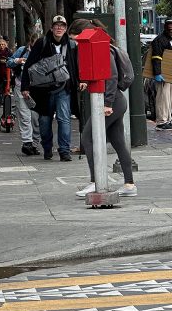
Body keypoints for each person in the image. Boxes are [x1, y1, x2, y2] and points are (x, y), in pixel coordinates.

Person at [68, 19, 136, 198]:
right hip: (113, 100)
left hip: (110, 101)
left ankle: (95, 180)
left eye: (76, 39)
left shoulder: (102, 47)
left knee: (88, 137)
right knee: (118, 141)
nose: (76, 44)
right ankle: (129, 184)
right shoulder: (102, 44)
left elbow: (111, 77)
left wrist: (108, 104)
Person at [21, 15, 85, 162]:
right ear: (51, 28)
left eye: (62, 26)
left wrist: (81, 81)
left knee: (64, 119)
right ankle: (47, 148)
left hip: (64, 89)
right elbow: (29, 66)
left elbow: (76, 65)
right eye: (56, 25)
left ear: (65, 29)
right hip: (44, 91)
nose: (59, 28)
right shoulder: (41, 43)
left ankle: (64, 151)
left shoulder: (71, 45)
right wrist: (25, 87)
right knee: (44, 121)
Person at [8, 33, 41, 156]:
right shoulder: (22, 51)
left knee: (36, 117)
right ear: (30, 44)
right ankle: (27, 142)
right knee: (24, 115)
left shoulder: (44, 52)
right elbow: (9, 62)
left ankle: (34, 143)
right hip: (20, 86)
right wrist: (18, 60)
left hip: (37, 88)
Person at [151, 18, 172, 131]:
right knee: (162, 98)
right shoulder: (159, 40)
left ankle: (168, 119)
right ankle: (161, 121)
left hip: (171, 74)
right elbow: (156, 58)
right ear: (165, 27)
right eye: (170, 28)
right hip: (163, 75)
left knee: (170, 98)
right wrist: (157, 73)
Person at [0, 38, 13, 106]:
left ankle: (5, 101)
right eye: (0, 44)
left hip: (7, 72)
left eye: (3, 44)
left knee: (6, 88)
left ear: (5, 45)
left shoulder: (9, 52)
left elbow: (12, 60)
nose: (1, 46)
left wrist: (6, 61)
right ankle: (0, 102)